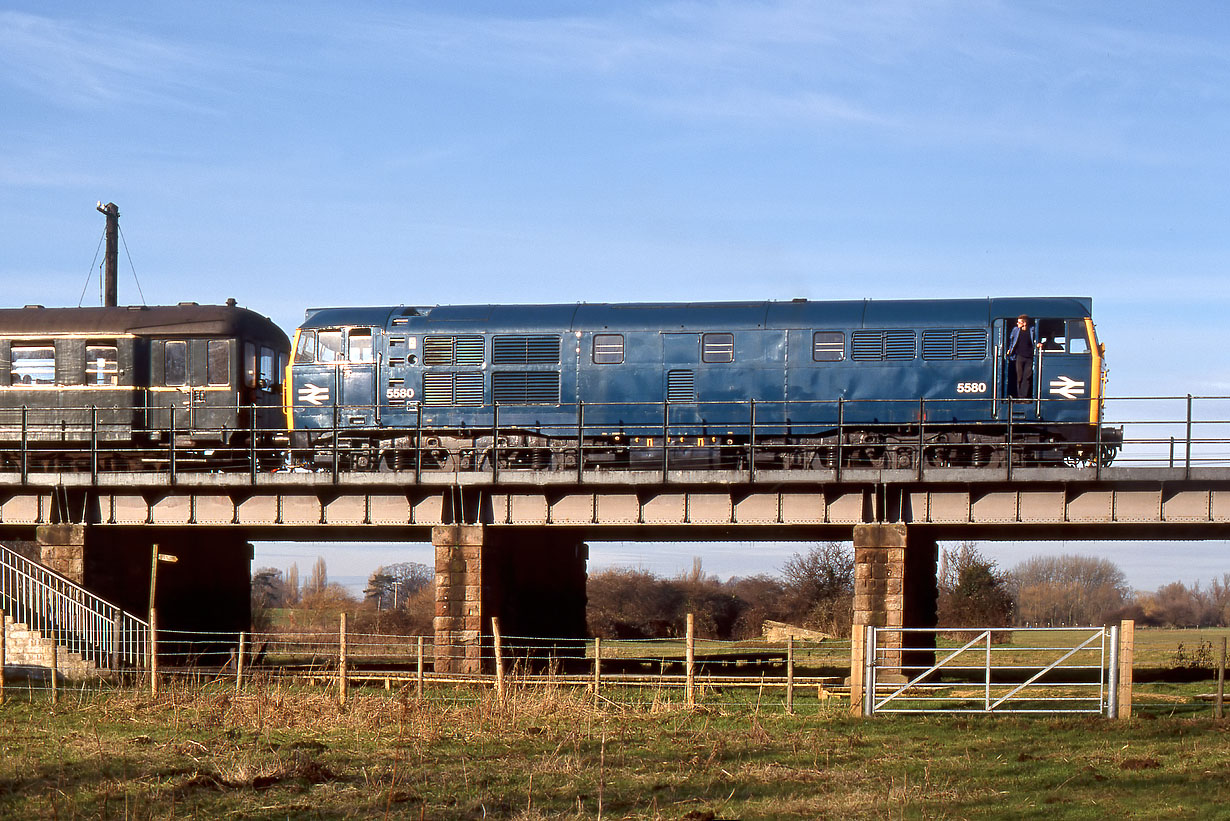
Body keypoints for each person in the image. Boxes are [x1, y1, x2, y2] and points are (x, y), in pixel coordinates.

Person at [1007, 314, 1040, 399]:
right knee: (1019, 377)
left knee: (1027, 377)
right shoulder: (1015, 330)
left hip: (1029, 357)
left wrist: (1038, 345)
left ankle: (1024, 396)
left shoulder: (1032, 330)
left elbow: (1035, 341)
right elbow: (1012, 340)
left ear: (1024, 323)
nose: (1017, 324)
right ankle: (1019, 396)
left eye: (1019, 322)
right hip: (1019, 356)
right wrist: (1010, 350)